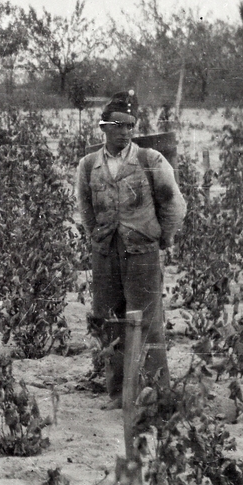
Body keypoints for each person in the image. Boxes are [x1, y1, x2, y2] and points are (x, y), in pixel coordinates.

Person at [76, 90, 187, 408]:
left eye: (129, 125)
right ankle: (118, 392)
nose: (124, 131)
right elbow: (86, 208)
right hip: (106, 255)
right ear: (104, 128)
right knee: (109, 320)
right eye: (117, 125)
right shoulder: (88, 165)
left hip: (142, 254)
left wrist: (161, 238)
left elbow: (174, 205)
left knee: (148, 322)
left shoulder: (149, 160)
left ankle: (154, 391)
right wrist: (99, 238)